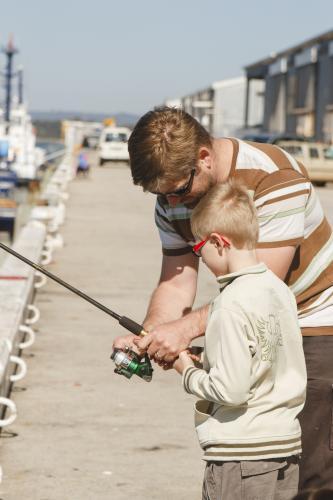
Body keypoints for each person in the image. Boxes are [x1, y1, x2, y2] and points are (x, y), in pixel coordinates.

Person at [113, 106, 333, 489]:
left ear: (204, 157)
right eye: (160, 195)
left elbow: (262, 286)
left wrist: (183, 331)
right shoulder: (172, 196)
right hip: (246, 316)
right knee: (251, 453)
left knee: (308, 467)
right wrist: (151, 335)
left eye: (179, 190)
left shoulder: (274, 176)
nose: (173, 203)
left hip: (312, 318)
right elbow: (177, 281)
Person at [171, 180, 306, 500]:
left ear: (218, 242)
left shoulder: (229, 304)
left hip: (242, 456)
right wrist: (207, 358)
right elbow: (266, 355)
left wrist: (187, 372)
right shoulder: (279, 291)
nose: (200, 259)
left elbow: (230, 389)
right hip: (283, 449)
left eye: (199, 249)